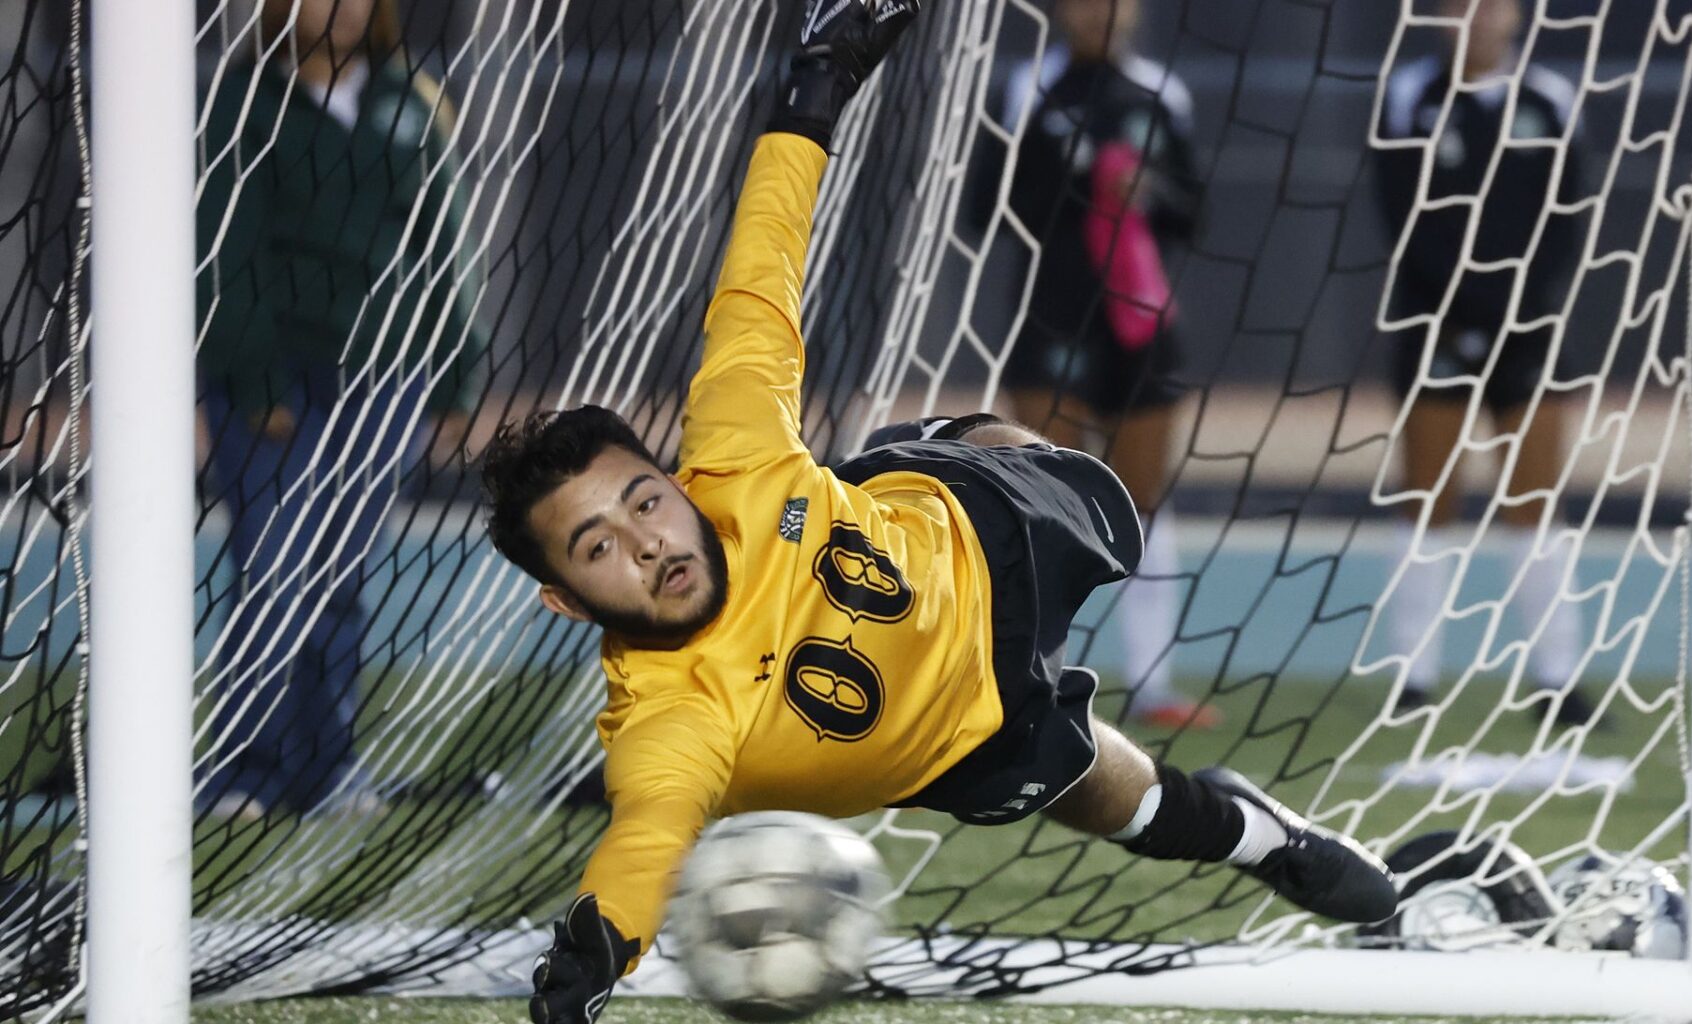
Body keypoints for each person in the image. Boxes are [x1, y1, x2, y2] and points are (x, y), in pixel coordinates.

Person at [487, 5, 1395, 1021]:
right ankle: (1271, 841)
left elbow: (761, 267)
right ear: (566, 599)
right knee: (1123, 802)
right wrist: (596, 953)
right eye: (600, 545)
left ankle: (942, 440)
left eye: (644, 498)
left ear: (670, 476)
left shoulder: (732, 446)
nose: (649, 540)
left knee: (1005, 447)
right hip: (968, 735)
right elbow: (646, 835)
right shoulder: (664, 715)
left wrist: (812, 94)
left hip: (981, 530)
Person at [196, 0, 487, 819]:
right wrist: (253, 378)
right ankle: (245, 770)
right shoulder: (244, 101)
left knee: (341, 580)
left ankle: (330, 768)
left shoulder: (412, 103)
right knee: (274, 571)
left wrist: (459, 371)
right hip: (276, 374)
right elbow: (224, 244)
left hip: (384, 378)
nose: (343, 8)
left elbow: (447, 240)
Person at [984, 0, 1214, 728]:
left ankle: (1153, 685)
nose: (1100, 13)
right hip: (1051, 317)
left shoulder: (1159, 95)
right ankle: (1035, 682)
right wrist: (1077, 178)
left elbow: (1194, 214)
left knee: (1144, 501)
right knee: (1050, 502)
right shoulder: (1025, 89)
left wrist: (1150, 193)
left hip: (1138, 325)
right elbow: (982, 207)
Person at [1374, 0, 1598, 726]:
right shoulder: (1411, 96)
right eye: (1460, 5)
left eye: (1493, 5)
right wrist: (1460, 306)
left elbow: (1568, 222)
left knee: (1535, 506)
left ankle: (1557, 679)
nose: (1476, 18)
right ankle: (1413, 680)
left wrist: (1518, 303)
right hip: (1434, 323)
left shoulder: (1551, 102)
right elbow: (1399, 214)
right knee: (1428, 501)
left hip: (1528, 329)